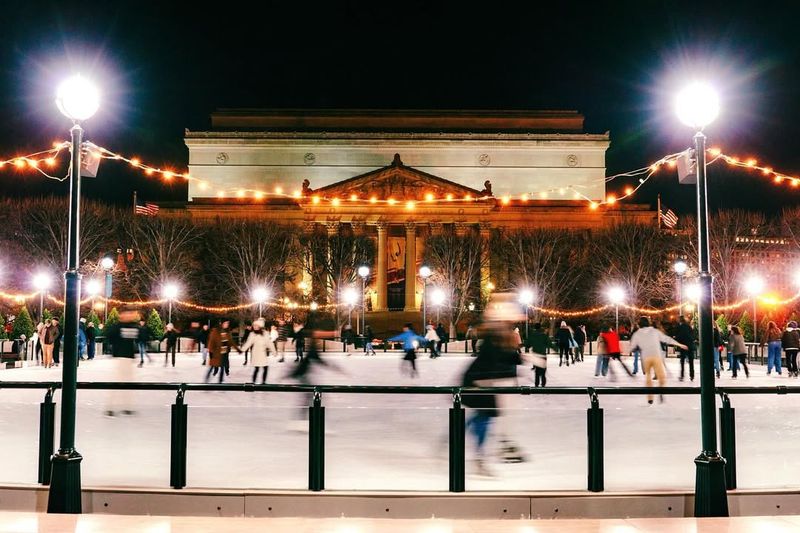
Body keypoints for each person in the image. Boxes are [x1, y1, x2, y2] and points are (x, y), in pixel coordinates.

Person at [629, 316, 687, 404]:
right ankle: (660, 391)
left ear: (639, 324)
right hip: (656, 356)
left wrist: (628, 350)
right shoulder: (654, 331)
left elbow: (632, 346)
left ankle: (650, 398)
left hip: (646, 358)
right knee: (661, 376)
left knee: (648, 376)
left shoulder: (637, 334)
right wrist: (679, 344)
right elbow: (667, 339)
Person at [103, 310, 140, 417]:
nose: (130, 316)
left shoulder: (133, 326)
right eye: (127, 313)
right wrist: (113, 348)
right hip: (120, 358)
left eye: (131, 314)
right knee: (116, 381)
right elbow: (108, 335)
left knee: (128, 383)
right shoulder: (117, 327)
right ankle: (110, 406)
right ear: (122, 315)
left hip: (129, 359)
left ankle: (127, 406)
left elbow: (141, 335)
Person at [237, 319, 273, 383]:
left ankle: (263, 382)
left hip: (262, 353)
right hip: (256, 353)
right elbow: (248, 343)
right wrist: (242, 350)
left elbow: (269, 343)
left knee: (265, 367)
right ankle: (253, 382)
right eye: (254, 325)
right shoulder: (252, 334)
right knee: (257, 368)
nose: (254, 327)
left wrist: (274, 351)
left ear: (260, 326)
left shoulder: (265, 333)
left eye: (256, 325)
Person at [528, 323, 553, 387]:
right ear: (540, 327)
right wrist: (556, 349)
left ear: (535, 328)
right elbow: (549, 343)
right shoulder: (544, 335)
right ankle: (543, 383)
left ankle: (536, 384)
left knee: (537, 371)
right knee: (543, 370)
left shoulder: (533, 335)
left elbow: (528, 344)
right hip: (543, 355)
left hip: (536, 355)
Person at [675, 315, 696, 382]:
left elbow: (680, 336)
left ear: (680, 320)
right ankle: (692, 375)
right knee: (691, 361)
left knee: (682, 361)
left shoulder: (680, 327)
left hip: (683, 346)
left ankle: (682, 375)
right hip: (690, 345)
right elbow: (692, 335)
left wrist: (676, 339)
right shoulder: (689, 326)